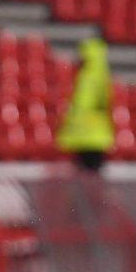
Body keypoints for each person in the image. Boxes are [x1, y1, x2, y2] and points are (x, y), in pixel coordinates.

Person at [57, 38, 114, 172]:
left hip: (89, 129)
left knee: (89, 168)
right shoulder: (94, 74)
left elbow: (97, 100)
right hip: (90, 130)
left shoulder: (91, 75)